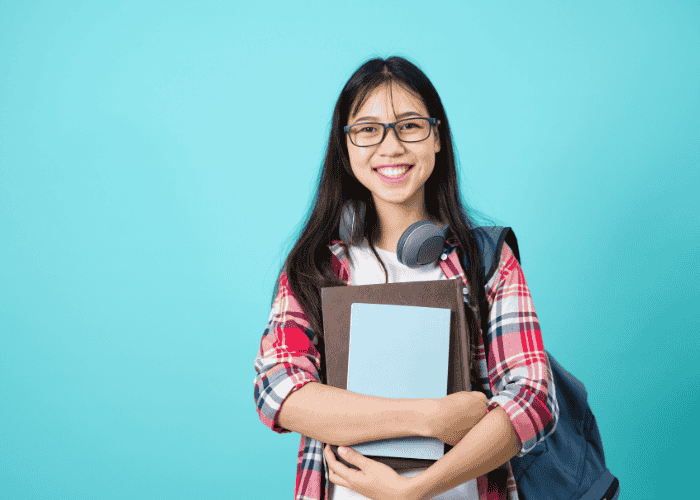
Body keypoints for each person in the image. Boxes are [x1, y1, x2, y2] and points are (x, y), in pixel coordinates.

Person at [254, 56, 558, 500]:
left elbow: (532, 398)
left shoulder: (487, 261)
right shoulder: (317, 268)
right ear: (345, 146)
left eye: (410, 125)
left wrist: (415, 491)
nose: (390, 147)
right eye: (368, 129)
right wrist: (429, 417)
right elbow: (277, 390)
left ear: (437, 137)